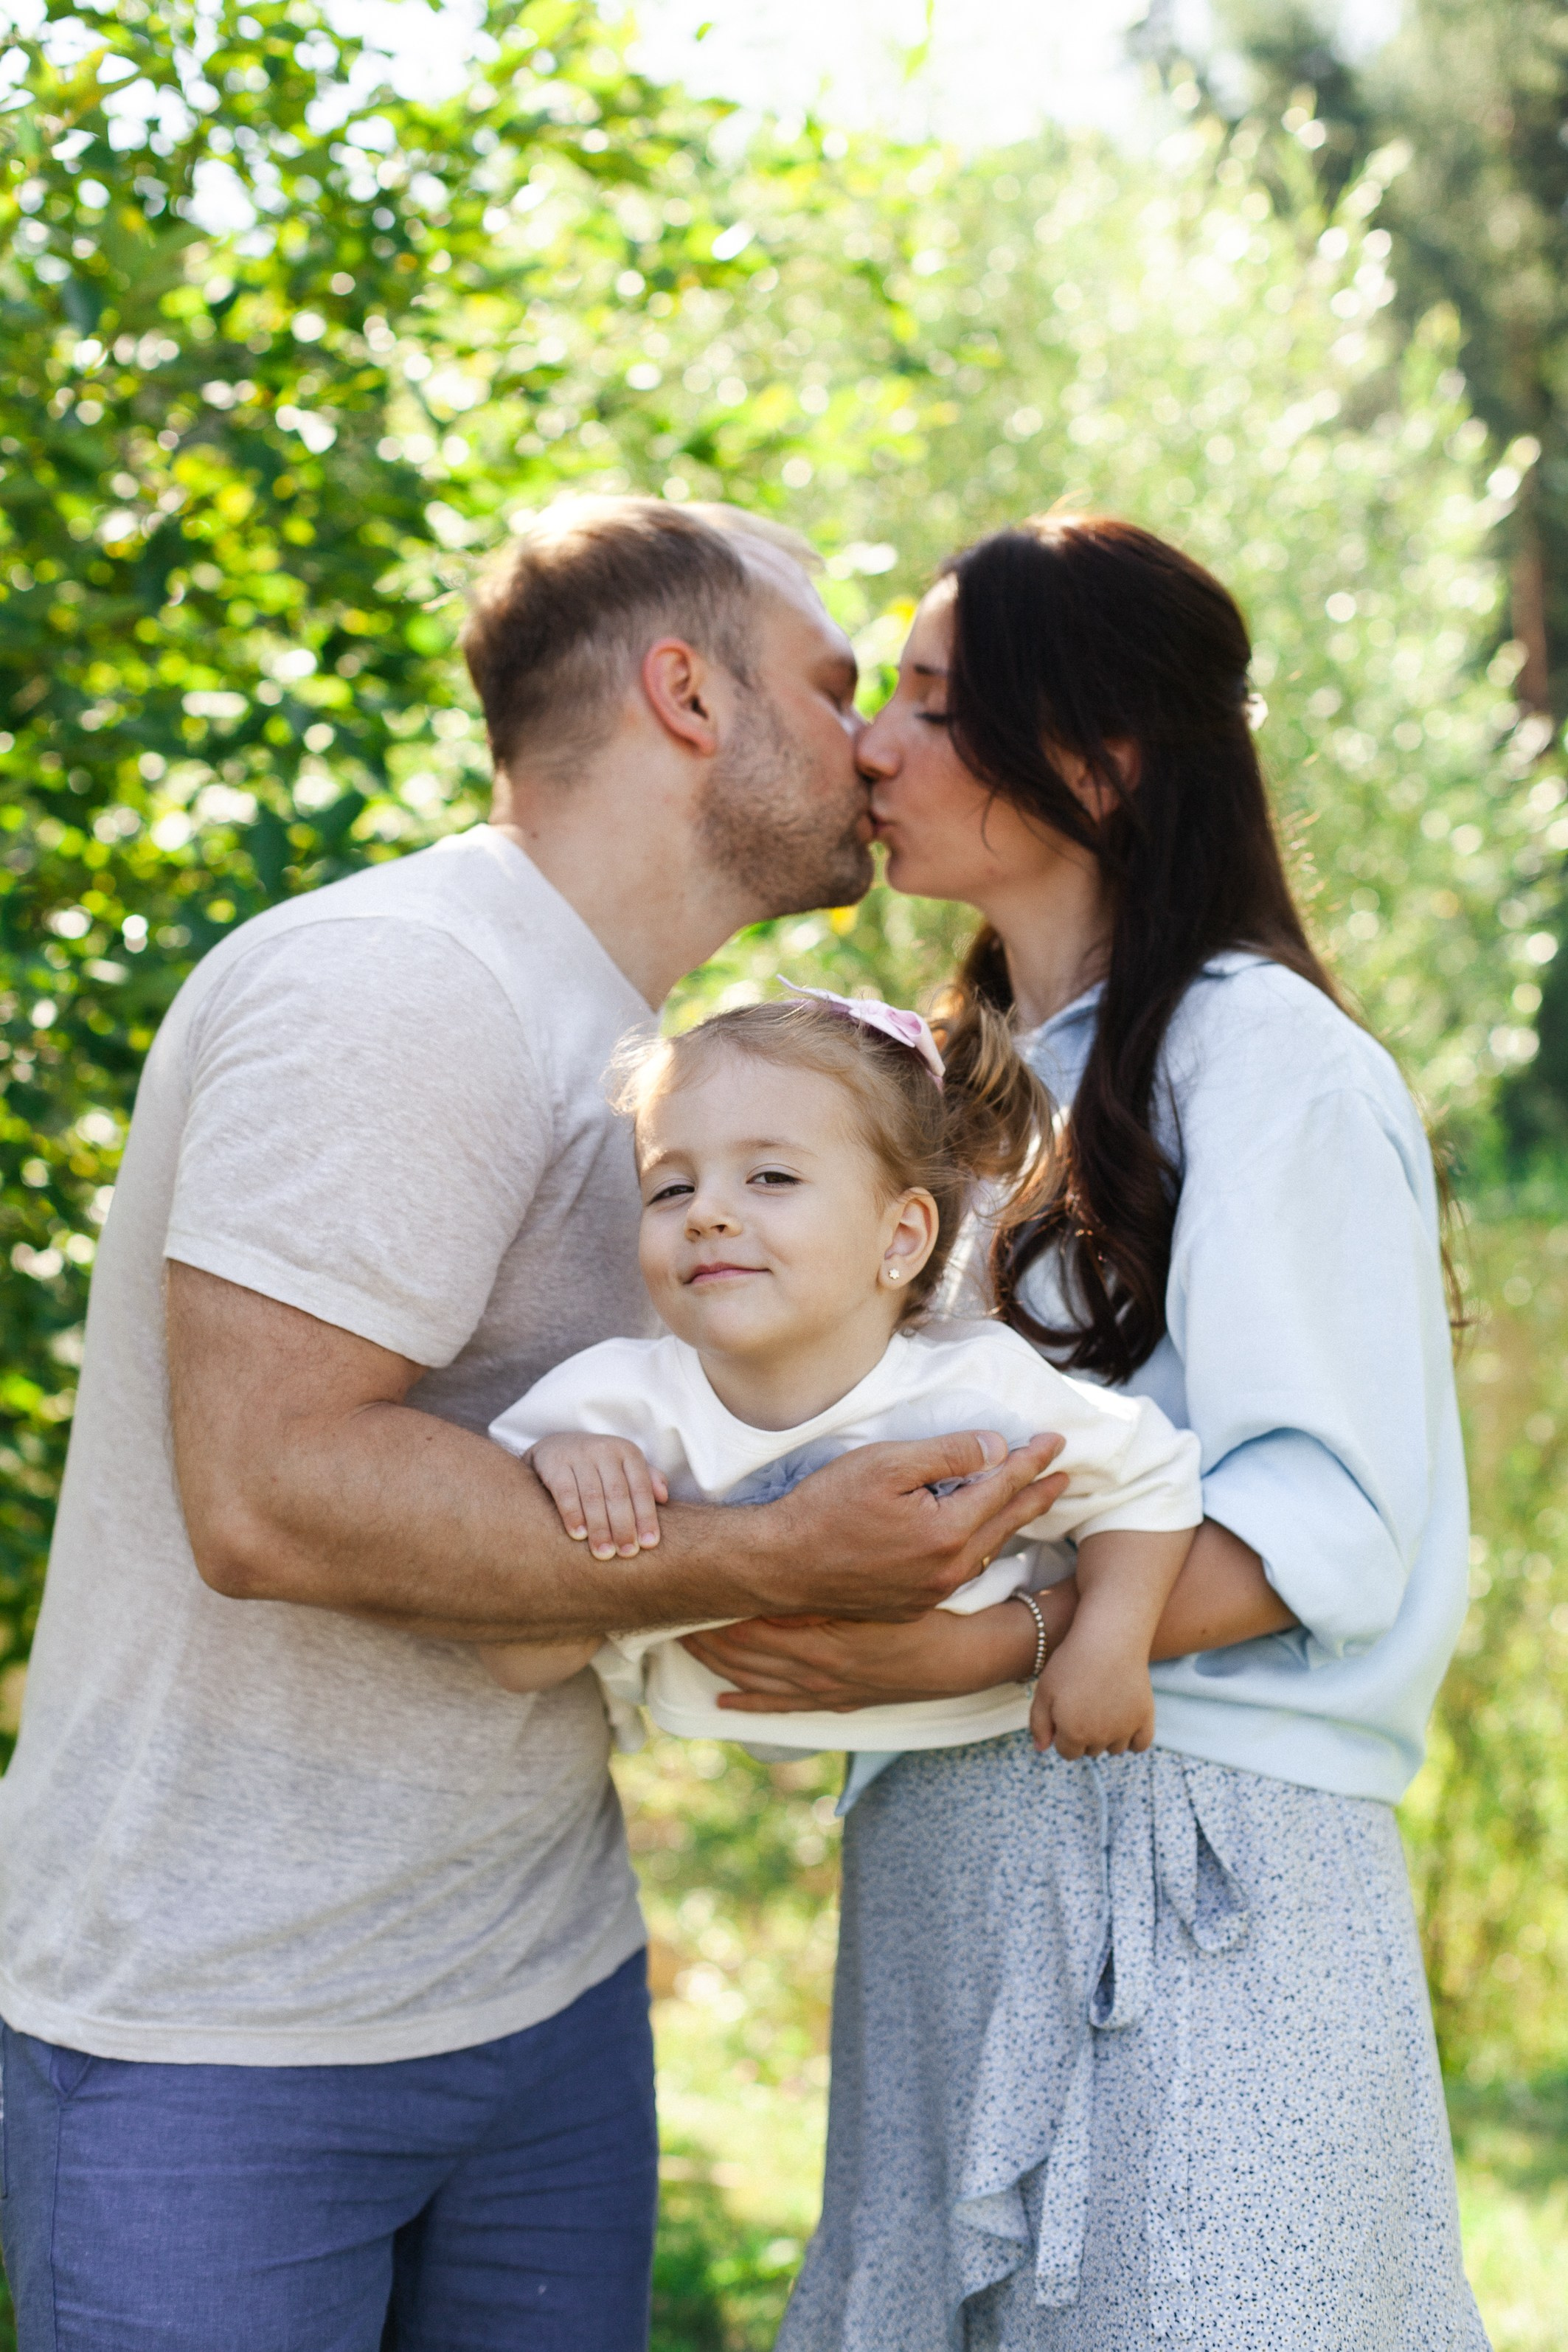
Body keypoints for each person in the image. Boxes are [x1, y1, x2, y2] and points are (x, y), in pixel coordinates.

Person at [0, 496, 1066, 2352]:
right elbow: (267, 1491)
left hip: (532, 1987)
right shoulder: (407, 987)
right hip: (219, 2033)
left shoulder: (667, 1059)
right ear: (684, 693)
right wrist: (761, 1554)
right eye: (831, 688)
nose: (875, 745)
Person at [690, 515, 1488, 2351]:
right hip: (951, 1851)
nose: (870, 746)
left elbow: (1327, 1518)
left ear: (1100, 755)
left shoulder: (1264, 1062)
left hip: (1194, 1871)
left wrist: (979, 1640)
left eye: (929, 703)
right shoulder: (947, 1091)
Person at [478, 990, 1202, 1769]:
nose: (705, 1214)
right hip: (770, 1748)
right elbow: (521, 1662)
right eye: (671, 1188)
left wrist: (1106, 1647)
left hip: (1001, 1741)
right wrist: (556, 1468)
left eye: (771, 1177)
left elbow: (1149, 1483)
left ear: (900, 1236)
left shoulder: (976, 1387)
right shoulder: (604, 1404)